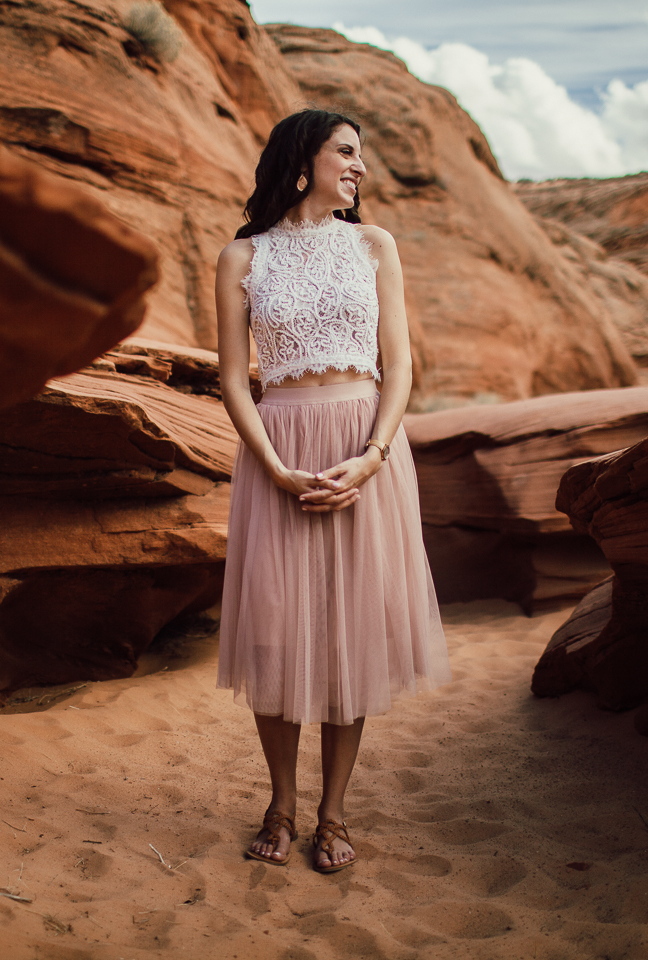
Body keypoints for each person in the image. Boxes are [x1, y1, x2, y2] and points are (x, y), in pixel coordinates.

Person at [214, 109, 451, 873]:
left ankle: (333, 813)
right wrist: (273, 465)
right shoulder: (241, 256)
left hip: (361, 450)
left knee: (348, 630)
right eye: (346, 152)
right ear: (302, 159)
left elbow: (401, 363)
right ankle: (280, 804)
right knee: (279, 630)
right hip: (278, 451)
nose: (359, 167)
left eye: (362, 155)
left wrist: (375, 455)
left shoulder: (373, 246)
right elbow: (231, 378)